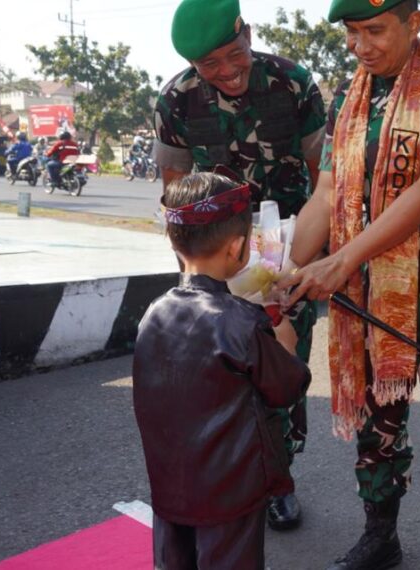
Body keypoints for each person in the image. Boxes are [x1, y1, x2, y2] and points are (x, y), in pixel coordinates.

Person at [279, 0, 420, 568]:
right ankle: (381, 535)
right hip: (367, 289)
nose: (361, 45)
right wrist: (280, 273)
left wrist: (341, 260)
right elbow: (326, 197)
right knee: (377, 420)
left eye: (374, 30)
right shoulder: (351, 97)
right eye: (353, 32)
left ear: (414, 21)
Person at [153, 0, 327, 529]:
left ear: (248, 34)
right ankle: (230, 479)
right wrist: (192, 267)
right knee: (221, 375)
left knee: (280, 372)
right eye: (211, 65)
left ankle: (278, 482)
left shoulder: (293, 84)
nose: (228, 71)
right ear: (193, 67)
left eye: (235, 54)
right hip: (218, 256)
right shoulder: (176, 100)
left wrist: (312, 259)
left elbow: (326, 178)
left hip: (290, 252)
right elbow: (175, 191)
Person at [133, 172, 311, 570]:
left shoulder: (152, 313)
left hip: (170, 484)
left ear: (176, 244)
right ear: (237, 248)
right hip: (230, 492)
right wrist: (284, 334)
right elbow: (288, 386)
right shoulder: (242, 324)